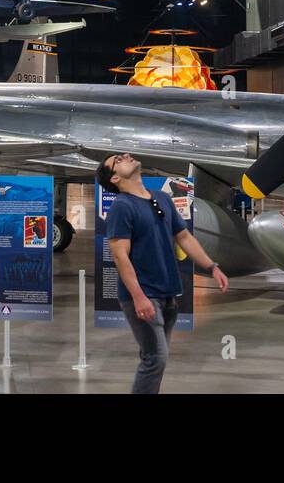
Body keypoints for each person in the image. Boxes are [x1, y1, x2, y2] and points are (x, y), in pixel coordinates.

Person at [97, 151, 228, 394]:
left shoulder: (161, 199)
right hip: (144, 295)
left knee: (154, 357)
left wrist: (212, 266)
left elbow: (184, 237)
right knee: (155, 358)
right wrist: (138, 296)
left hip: (168, 293)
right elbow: (120, 256)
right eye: (117, 160)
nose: (125, 156)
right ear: (114, 179)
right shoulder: (122, 207)